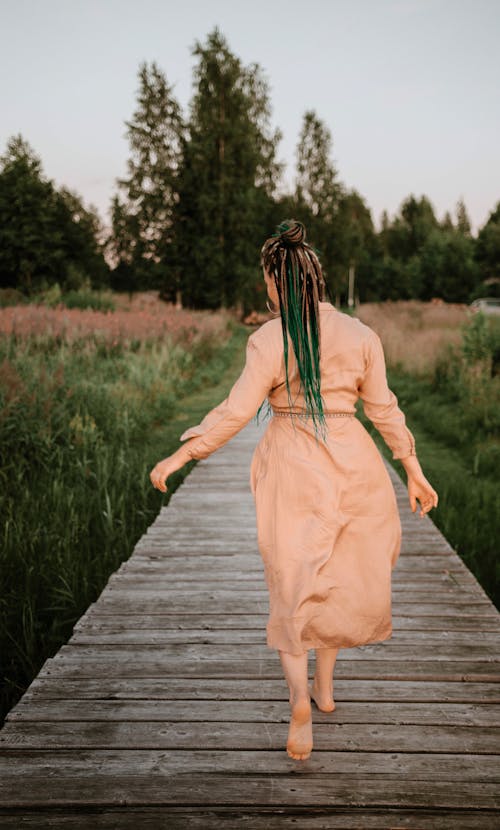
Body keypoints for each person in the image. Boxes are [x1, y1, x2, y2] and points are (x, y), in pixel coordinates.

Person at [149, 219, 438, 762]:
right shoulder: (361, 334)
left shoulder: (268, 338)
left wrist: (186, 451)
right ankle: (325, 691)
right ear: (318, 277)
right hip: (353, 459)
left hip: (292, 463)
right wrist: (413, 467)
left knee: (292, 582)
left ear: (276, 282)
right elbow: (384, 409)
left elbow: (237, 411)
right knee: (330, 576)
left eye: (267, 280)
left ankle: (300, 706)